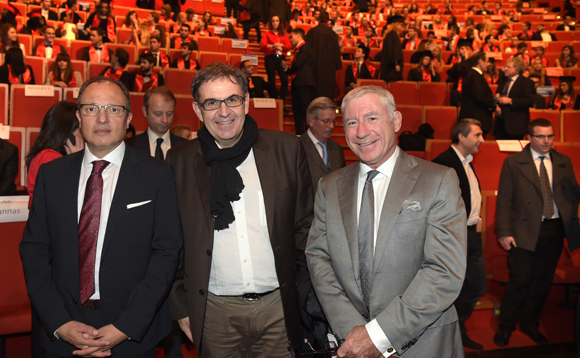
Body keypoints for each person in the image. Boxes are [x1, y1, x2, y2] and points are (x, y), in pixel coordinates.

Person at [20, 77, 183, 358]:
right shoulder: (52, 175)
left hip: (131, 333)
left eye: (114, 109)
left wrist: (126, 325)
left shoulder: (157, 175)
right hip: (61, 331)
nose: (103, 117)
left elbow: (167, 254)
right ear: (79, 117)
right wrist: (60, 323)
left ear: (129, 118)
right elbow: (34, 252)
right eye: (91, 108)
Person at [305, 85, 467, 357]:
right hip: (351, 343)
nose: (361, 132)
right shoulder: (328, 186)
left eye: (372, 118)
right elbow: (318, 257)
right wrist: (354, 332)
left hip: (422, 343)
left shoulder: (439, 180)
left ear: (396, 121)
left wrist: (379, 336)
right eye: (351, 122)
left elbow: (443, 271)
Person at [167, 62, 313, 357]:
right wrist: (181, 307)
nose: (224, 112)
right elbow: (169, 242)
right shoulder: (178, 162)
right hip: (214, 313)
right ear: (197, 110)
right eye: (211, 103)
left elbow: (306, 227)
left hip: (278, 309)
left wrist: (301, 293)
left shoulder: (287, 149)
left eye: (232, 99)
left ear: (246, 102)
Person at [493, 118, 580, 347]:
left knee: (542, 282)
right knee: (520, 280)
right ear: (529, 137)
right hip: (523, 230)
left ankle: (530, 323)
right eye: (541, 136)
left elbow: (573, 192)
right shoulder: (514, 162)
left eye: (550, 136)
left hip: (553, 229)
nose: (546, 141)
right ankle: (506, 325)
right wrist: (503, 231)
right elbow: (504, 200)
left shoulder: (563, 161)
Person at [432, 118, 486, 351]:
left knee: (477, 285)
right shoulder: (443, 162)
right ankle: (447, 331)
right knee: (449, 288)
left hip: (472, 235)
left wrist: (477, 217)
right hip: (454, 237)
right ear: (462, 137)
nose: (482, 140)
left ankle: (457, 324)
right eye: (478, 135)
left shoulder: (467, 162)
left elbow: (469, 196)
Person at [25, 101, 84, 206]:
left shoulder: (46, 154)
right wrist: (77, 162)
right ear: (69, 133)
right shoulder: (50, 158)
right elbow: (63, 198)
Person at [126, 86, 187, 160]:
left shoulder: (186, 147)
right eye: (158, 114)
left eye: (169, 114)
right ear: (145, 111)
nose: (165, 120)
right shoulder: (129, 147)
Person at [299, 96, 345, 189]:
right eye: (326, 121)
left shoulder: (337, 148)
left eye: (334, 121)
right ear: (311, 121)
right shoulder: (298, 147)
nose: (331, 126)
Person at [281, 27, 315, 134]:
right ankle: (299, 133)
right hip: (297, 82)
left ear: (298, 36)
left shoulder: (305, 48)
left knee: (304, 109)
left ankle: (308, 133)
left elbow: (298, 63)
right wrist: (287, 69)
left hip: (304, 82)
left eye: (291, 37)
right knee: (296, 110)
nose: (290, 39)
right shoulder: (298, 49)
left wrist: (289, 69)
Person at [494, 57, 535, 139]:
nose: (505, 69)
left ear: (517, 69)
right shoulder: (502, 81)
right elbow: (498, 96)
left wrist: (511, 101)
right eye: (505, 66)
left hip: (516, 125)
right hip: (500, 123)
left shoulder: (526, 82)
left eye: (508, 67)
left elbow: (529, 101)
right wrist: (496, 100)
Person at [305, 11, 342, 99]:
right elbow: (337, 53)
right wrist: (337, 65)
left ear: (319, 19)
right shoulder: (333, 34)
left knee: (315, 95)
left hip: (315, 68)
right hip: (329, 70)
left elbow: (306, 50)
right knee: (327, 95)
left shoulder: (312, 32)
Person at [458, 51, 495, 136]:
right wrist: (493, 106)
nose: (488, 64)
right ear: (480, 61)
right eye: (487, 61)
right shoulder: (474, 75)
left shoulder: (474, 75)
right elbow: (480, 97)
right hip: (476, 119)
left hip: (475, 119)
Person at [260, 15, 290, 101]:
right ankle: (274, 99)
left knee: (285, 80)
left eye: (277, 21)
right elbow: (262, 45)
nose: (275, 23)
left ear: (279, 22)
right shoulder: (267, 34)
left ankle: (282, 101)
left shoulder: (284, 34)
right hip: (270, 57)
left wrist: (281, 46)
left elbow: (288, 46)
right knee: (271, 80)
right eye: (273, 21)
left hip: (281, 57)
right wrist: (273, 46)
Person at [379, 15, 404, 83]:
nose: (401, 27)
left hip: (390, 64)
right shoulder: (392, 35)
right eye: (400, 25)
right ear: (396, 25)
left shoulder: (390, 34)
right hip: (392, 67)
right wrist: (396, 63)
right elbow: (392, 50)